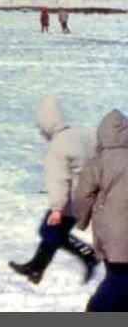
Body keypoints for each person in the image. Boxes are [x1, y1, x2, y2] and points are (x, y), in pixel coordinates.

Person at [9, 93, 98, 285]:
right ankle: (35, 268)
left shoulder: (58, 147)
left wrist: (57, 208)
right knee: (54, 232)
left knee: (49, 231)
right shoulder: (85, 133)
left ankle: (88, 254)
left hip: (71, 200)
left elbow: (58, 180)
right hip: (91, 193)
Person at [73, 108, 128, 311]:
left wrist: (82, 219)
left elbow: (82, 194)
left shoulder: (98, 162)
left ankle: (97, 309)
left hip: (110, 231)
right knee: (121, 277)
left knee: (118, 276)